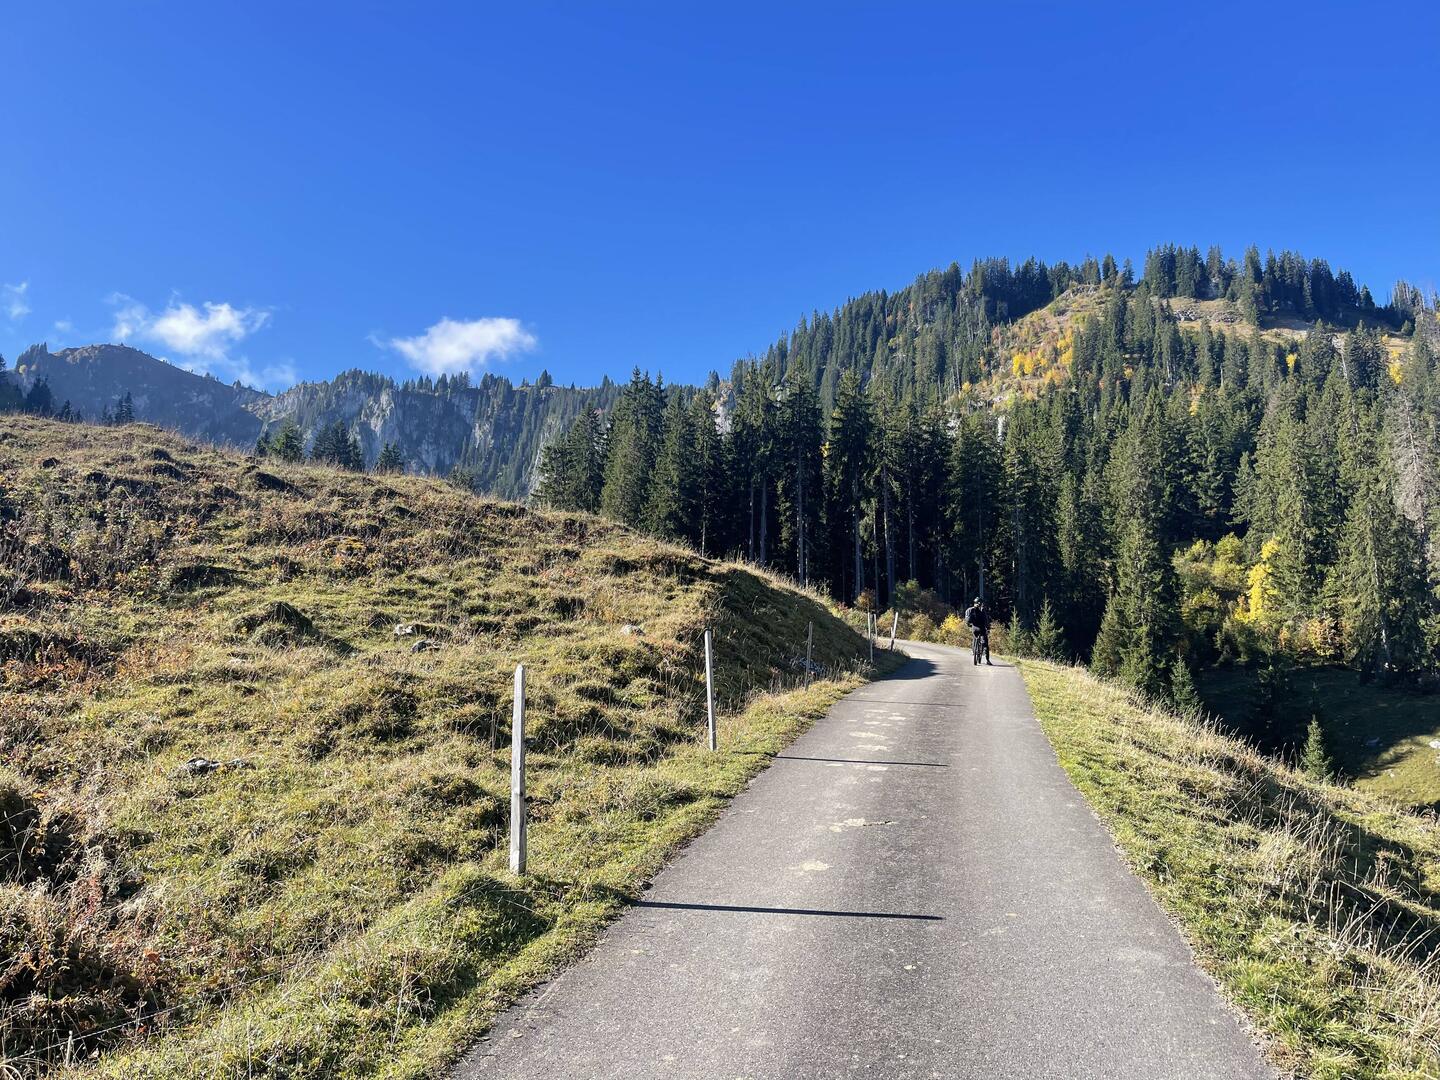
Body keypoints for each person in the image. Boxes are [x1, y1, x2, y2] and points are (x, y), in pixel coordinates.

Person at [964, 597, 992, 665]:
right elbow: (986, 620)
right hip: (982, 628)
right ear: (981, 603)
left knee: (975, 637)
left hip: (974, 628)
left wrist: (969, 625)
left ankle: (973, 650)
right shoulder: (983, 610)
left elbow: (967, 620)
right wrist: (988, 628)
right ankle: (987, 660)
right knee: (985, 643)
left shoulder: (970, 610)